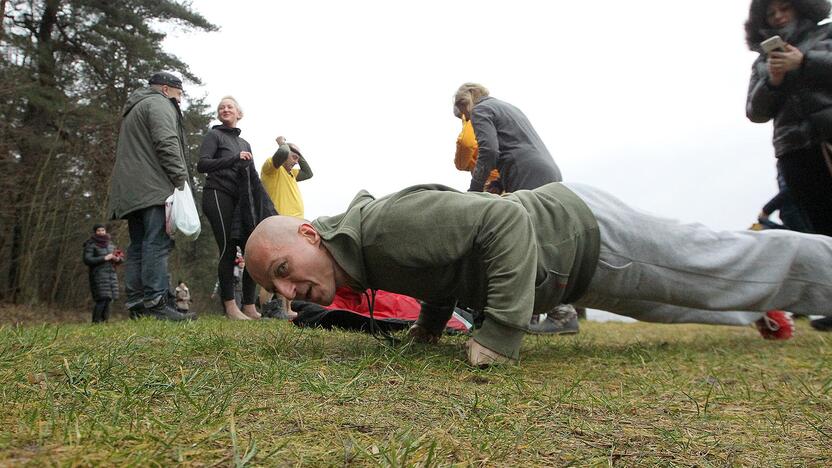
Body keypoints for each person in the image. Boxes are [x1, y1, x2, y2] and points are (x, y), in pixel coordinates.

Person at [244, 182, 832, 367]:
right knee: (665, 301)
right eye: (277, 291)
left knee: (723, 262)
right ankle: (759, 309)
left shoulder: (383, 228)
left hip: (585, 237)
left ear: (309, 235)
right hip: (568, 269)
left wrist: (500, 332)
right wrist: (427, 327)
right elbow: (441, 270)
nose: (292, 295)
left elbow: (500, 221)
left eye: (286, 273)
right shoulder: (364, 255)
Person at [454, 83, 576, 335]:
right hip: (544, 170)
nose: (465, 119)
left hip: (527, 174)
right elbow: (512, 148)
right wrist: (498, 184)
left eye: (462, 114)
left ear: (466, 102)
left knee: (530, 240)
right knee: (538, 237)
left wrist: (474, 191)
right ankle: (529, 314)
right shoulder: (508, 107)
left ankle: (562, 312)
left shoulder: (482, 110)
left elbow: (489, 150)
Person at [745, 0, 832, 333]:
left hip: (828, 137)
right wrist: (774, 81)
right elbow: (755, 111)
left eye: (785, 8)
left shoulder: (826, 36)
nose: (779, 16)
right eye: (771, 13)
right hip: (794, 149)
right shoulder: (763, 63)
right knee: (820, 227)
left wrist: (805, 62)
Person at [107, 71, 195, 321]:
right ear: (166, 89)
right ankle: (157, 304)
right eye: (178, 95)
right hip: (153, 187)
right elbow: (166, 141)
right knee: (157, 243)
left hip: (130, 190)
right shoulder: (159, 103)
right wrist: (180, 180)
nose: (179, 101)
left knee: (138, 245)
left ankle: (137, 304)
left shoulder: (134, 107)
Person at [197, 96, 276, 321]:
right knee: (228, 249)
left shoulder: (245, 144)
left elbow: (252, 177)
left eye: (229, 107)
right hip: (217, 195)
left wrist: (265, 206)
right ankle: (231, 307)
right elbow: (202, 164)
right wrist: (233, 159)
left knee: (251, 250)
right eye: (221, 107)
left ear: (238, 113)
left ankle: (250, 306)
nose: (225, 109)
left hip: (240, 200)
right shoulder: (215, 135)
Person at [258, 136, 313, 318]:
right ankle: (266, 309)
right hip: (277, 224)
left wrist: (297, 153)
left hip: (294, 226)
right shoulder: (271, 169)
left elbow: (309, 172)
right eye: (293, 156)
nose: (296, 161)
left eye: (298, 157)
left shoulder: (292, 175)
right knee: (273, 268)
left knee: (289, 269)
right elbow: (281, 153)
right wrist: (283, 144)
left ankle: (286, 309)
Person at [83, 224, 123, 323]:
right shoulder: (90, 245)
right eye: (99, 231)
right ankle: (96, 322)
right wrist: (104, 258)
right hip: (98, 275)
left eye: (103, 230)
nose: (101, 232)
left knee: (109, 299)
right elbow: (87, 260)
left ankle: (105, 322)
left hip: (111, 275)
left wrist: (117, 259)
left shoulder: (111, 244)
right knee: (102, 299)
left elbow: (120, 257)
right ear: (95, 232)